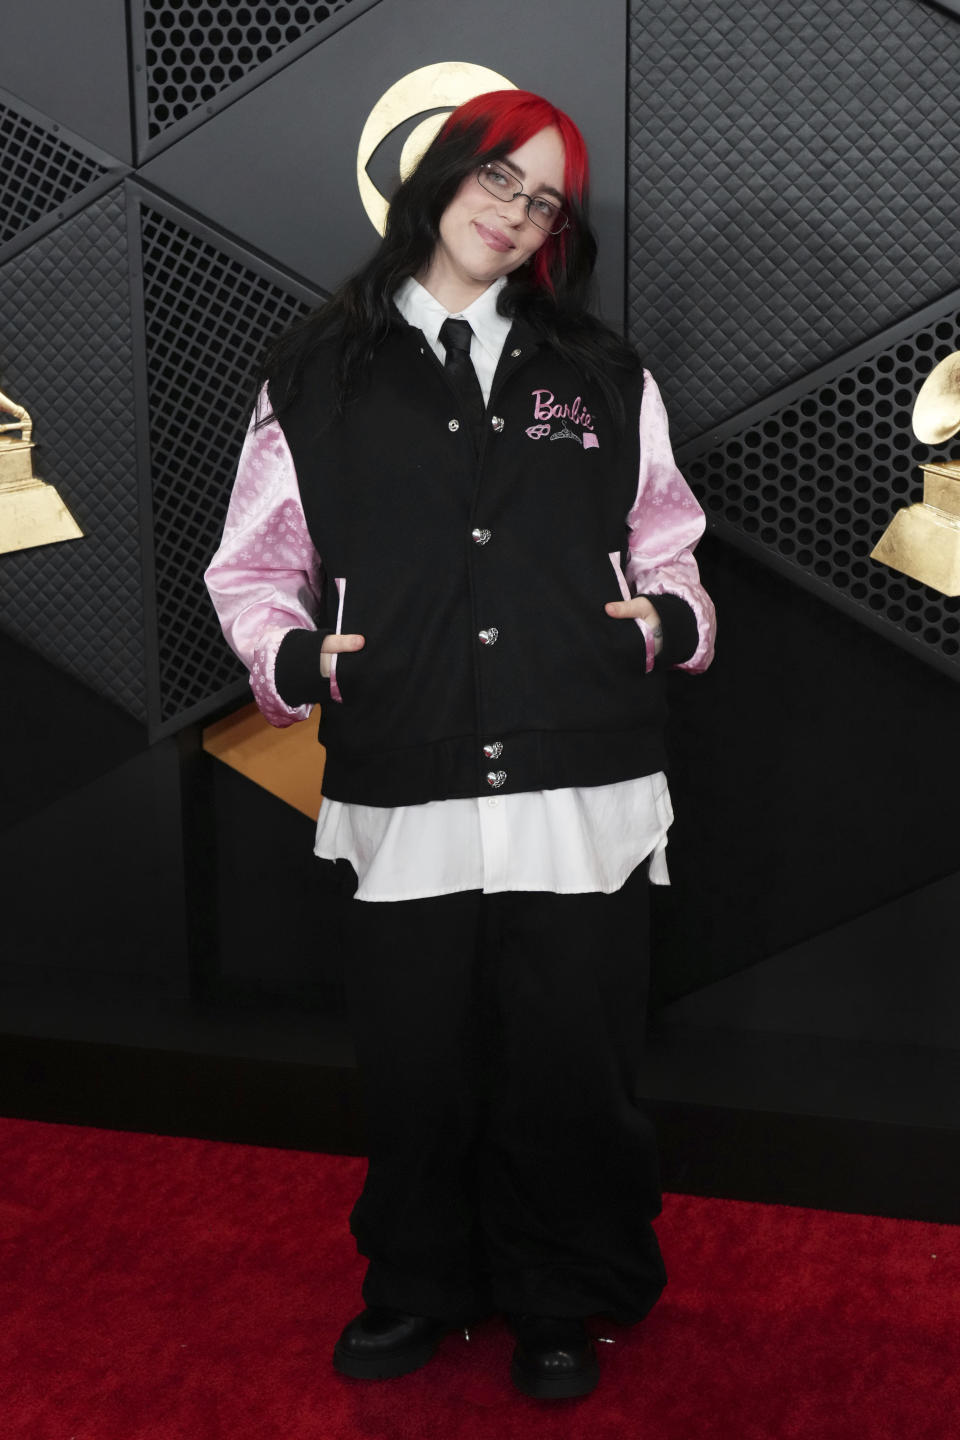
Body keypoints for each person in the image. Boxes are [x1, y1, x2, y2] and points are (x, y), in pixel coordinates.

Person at [205, 88, 715, 1401]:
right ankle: (418, 1285)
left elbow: (672, 547)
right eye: (500, 179)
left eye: (543, 201)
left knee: (569, 1063)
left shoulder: (603, 372)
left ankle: (562, 1292)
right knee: (419, 1061)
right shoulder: (315, 371)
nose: (515, 215)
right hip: (407, 771)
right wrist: (295, 659)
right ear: (442, 175)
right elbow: (252, 566)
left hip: (582, 778)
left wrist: (659, 622)